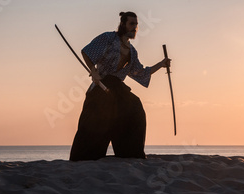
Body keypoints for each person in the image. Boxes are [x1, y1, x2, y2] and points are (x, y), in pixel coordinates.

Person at [69, 11, 171, 161]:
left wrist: (161, 65)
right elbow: (87, 52)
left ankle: (130, 153)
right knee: (98, 118)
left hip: (118, 90)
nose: (134, 28)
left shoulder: (132, 52)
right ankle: (88, 156)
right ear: (122, 24)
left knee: (135, 107)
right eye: (131, 24)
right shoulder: (108, 38)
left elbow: (141, 73)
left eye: (136, 25)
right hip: (101, 87)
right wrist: (94, 71)